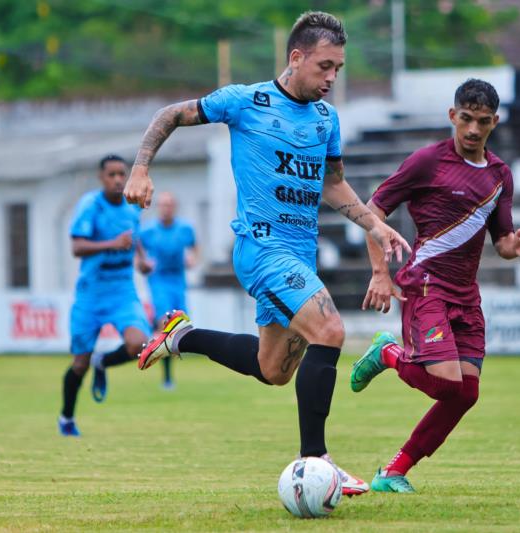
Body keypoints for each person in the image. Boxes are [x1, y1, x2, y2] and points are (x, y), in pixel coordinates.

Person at [123, 11, 409, 496]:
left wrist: (374, 224)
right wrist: (140, 169)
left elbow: (333, 185)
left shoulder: (325, 119)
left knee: (273, 369)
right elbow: (169, 114)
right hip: (260, 248)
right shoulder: (245, 101)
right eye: (324, 66)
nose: (331, 78)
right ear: (296, 57)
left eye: (338, 68)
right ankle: (317, 462)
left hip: (299, 255)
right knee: (331, 331)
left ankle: (183, 337)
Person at [350, 79, 520, 493]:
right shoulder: (427, 163)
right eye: (466, 119)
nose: (472, 130)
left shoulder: (500, 175)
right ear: (452, 116)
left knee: (465, 394)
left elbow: (501, 240)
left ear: (494, 122)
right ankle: (388, 353)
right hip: (426, 286)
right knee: (447, 383)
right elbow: (372, 211)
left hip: (466, 295)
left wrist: (513, 247)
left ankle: (394, 472)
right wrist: (380, 273)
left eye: (482, 122)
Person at [59, 155, 152, 437]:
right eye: (111, 174)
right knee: (79, 363)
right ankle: (66, 417)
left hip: (122, 291)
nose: (117, 179)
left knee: (140, 344)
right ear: (101, 178)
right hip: (92, 293)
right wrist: (113, 243)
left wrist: (142, 259)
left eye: (121, 174)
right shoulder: (90, 205)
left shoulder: (131, 206)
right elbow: (77, 247)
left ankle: (104, 362)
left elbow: (132, 238)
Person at [138, 192, 198, 390]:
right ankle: (167, 378)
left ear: (175, 208)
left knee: (179, 326)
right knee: (166, 322)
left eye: (169, 205)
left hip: (178, 281)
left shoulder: (185, 229)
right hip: (159, 281)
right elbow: (137, 250)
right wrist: (143, 263)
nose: (166, 208)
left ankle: (151, 333)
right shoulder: (148, 231)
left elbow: (194, 247)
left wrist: (192, 259)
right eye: (163, 205)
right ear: (158, 208)